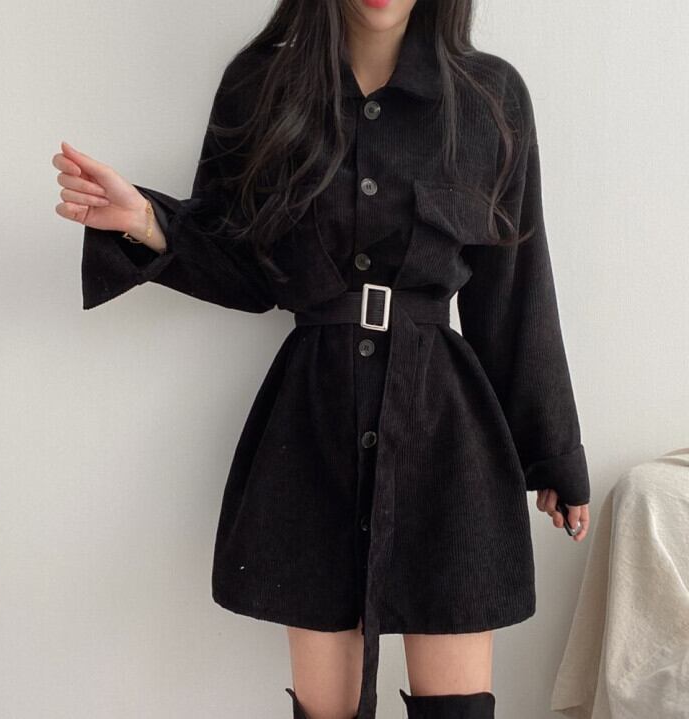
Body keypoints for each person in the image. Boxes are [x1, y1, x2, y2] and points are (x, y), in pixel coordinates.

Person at [52, 1, 592, 717]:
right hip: (313, 428)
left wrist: (553, 454)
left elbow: (515, 291)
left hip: (446, 437)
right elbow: (244, 267)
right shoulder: (260, 87)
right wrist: (148, 221)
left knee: (458, 705)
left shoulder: (489, 98)